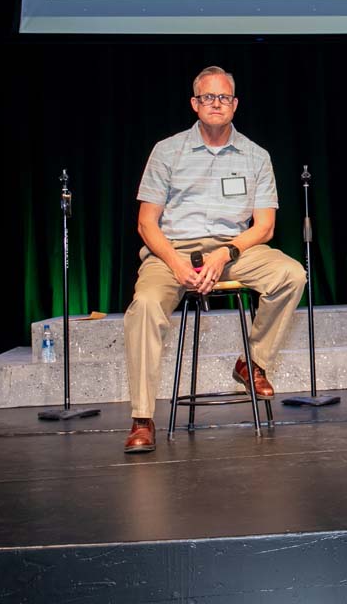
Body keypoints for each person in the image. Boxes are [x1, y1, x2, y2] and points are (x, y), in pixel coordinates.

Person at [122, 66, 306, 453]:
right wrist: (176, 264)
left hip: (234, 248)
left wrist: (225, 253)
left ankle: (252, 363)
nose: (216, 104)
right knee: (145, 306)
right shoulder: (167, 150)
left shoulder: (256, 156)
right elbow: (146, 223)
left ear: (235, 105)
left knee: (290, 274)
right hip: (172, 249)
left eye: (223, 97)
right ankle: (142, 417)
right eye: (208, 97)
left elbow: (265, 226)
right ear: (195, 104)